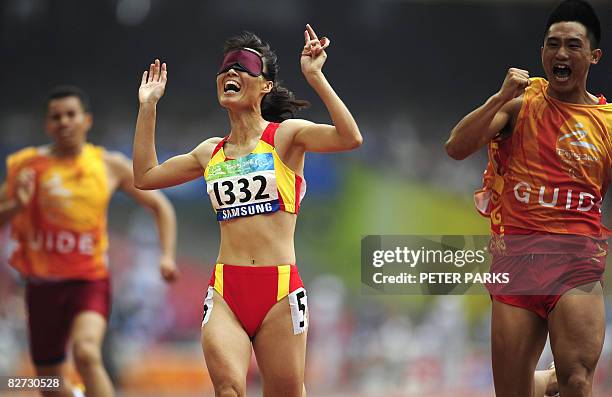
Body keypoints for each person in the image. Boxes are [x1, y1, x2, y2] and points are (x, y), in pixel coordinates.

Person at [132, 24, 362, 396]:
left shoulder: (286, 137)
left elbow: (350, 138)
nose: (231, 73)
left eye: (244, 68)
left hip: (280, 291)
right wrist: (148, 107)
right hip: (226, 290)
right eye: (225, 69)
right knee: (228, 390)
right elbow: (144, 176)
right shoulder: (210, 152)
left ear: (266, 85)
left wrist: (316, 77)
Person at [445, 0, 610, 396]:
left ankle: (560, 378)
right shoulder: (521, 104)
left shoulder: (607, 123)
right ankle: (544, 381)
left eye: (573, 45)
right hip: (516, 262)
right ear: (542, 54)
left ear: (593, 56)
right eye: (553, 45)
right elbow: (456, 147)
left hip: (576, 263)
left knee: (577, 380)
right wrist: (498, 98)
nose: (561, 54)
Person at [0, 86, 178, 397]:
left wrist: (167, 255)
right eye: (56, 117)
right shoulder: (26, 167)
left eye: (71, 115)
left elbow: (160, 206)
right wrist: (17, 205)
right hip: (41, 287)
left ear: (86, 120)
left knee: (86, 353)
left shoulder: (109, 165)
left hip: (88, 281)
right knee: (49, 384)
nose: (64, 122)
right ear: (48, 125)